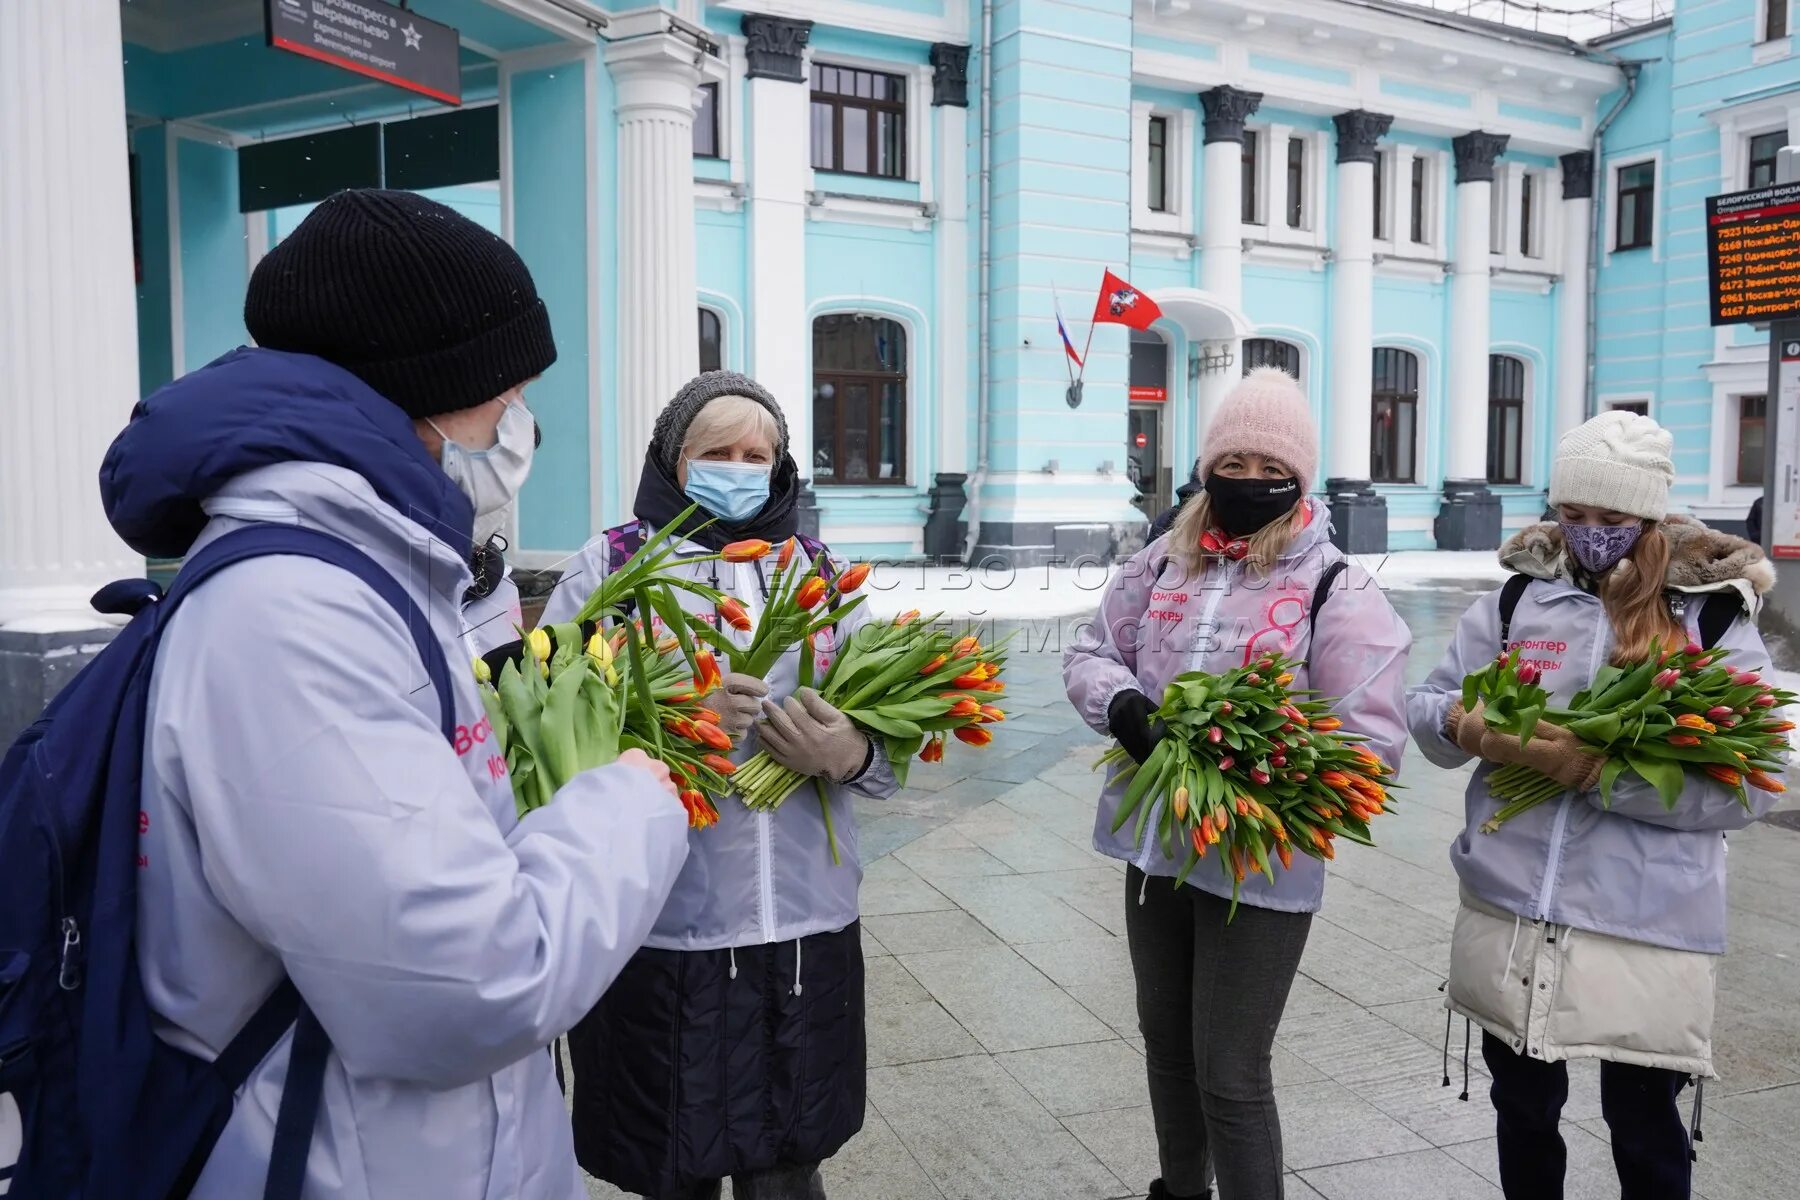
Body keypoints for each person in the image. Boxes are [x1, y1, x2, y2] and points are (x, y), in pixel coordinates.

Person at [103, 189, 691, 1199]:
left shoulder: (382, 569)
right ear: (423, 389)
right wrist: (638, 793)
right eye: (505, 387)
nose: (520, 419)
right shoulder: (292, 610)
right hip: (340, 1161)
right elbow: (468, 986)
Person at [1406, 410, 1782, 1200]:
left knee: (1644, 1131)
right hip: (1513, 904)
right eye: (1572, 516)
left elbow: (1752, 778)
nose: (1588, 534)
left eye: (1611, 519)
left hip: (1644, 916)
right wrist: (1460, 724)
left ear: (1648, 514)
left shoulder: (1708, 617)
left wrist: (1592, 771)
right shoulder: (1519, 601)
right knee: (1523, 1110)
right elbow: (1430, 706)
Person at [541, 371, 900, 1200]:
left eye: (757, 454)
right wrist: (666, 715)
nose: (739, 468)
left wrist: (849, 752)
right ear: (675, 459)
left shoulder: (819, 571)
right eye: (717, 453)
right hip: (663, 931)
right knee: (674, 1165)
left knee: (788, 1168)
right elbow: (547, 735)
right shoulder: (612, 565)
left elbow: (893, 738)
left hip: (804, 930)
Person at [1063, 368, 1413, 1200]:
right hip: (1155, 847)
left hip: (1259, 862)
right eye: (1234, 463)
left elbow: (1372, 745)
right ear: (1207, 466)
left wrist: (1265, 766)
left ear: (1300, 479)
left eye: (1271, 469)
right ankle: (1180, 1190)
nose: (1249, 482)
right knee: (1167, 1045)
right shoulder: (1163, 561)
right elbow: (1090, 649)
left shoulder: (1339, 588)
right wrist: (1122, 707)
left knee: (1230, 1069)